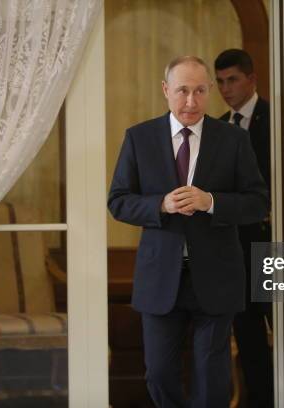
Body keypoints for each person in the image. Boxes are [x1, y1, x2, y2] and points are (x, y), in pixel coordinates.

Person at [108, 55, 269, 407]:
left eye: (199, 91)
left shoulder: (232, 140)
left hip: (217, 276)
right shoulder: (139, 138)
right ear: (166, 91)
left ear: (209, 90)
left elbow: (258, 202)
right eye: (182, 91)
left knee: (212, 380)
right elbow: (118, 201)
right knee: (160, 374)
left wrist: (211, 201)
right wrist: (160, 205)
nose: (191, 101)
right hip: (161, 277)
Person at [215, 48, 273, 408]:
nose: (225, 88)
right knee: (248, 335)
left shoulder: (276, 119)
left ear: (251, 79)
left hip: (275, 240)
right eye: (220, 82)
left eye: (232, 79)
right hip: (235, 246)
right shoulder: (218, 127)